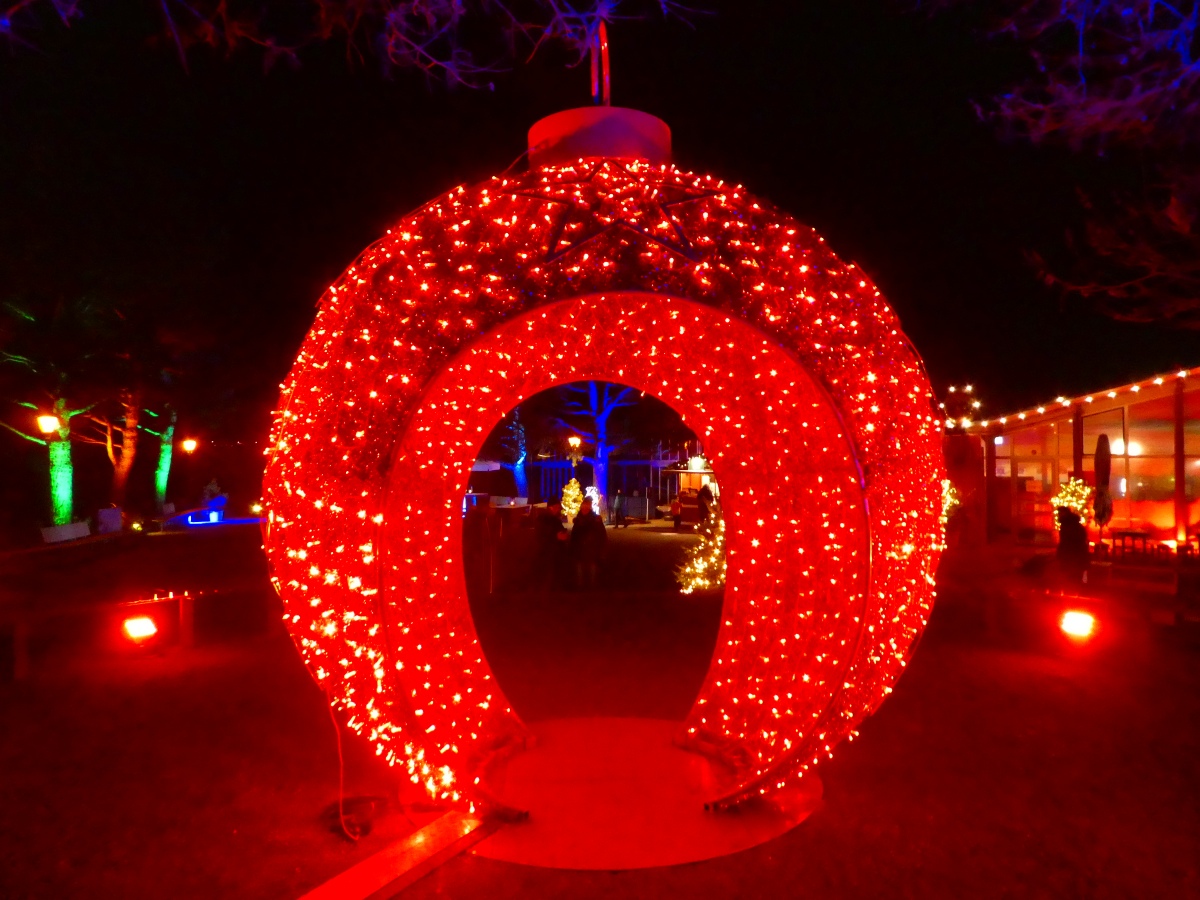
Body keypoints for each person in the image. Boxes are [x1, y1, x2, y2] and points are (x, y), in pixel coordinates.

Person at [570, 496, 607, 591]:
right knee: (580, 571)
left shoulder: (595, 519)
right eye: (584, 506)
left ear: (590, 507)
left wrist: (601, 549)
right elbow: (574, 536)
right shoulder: (578, 520)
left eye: (587, 506)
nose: (585, 508)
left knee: (592, 570)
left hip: (592, 550)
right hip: (580, 549)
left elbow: (602, 535)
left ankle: (591, 590)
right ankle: (580, 590)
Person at [462, 496, 497, 597]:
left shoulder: (475, 517)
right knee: (475, 566)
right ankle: (476, 587)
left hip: (474, 546)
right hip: (475, 546)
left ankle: (475, 587)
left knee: (474, 566)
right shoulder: (480, 518)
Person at [534, 499, 568, 590]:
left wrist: (563, 534)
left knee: (554, 576)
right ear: (550, 507)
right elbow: (541, 536)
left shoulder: (554, 519)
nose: (558, 509)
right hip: (547, 553)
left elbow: (557, 529)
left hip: (555, 552)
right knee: (548, 577)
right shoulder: (543, 519)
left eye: (559, 507)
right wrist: (556, 537)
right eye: (556, 507)